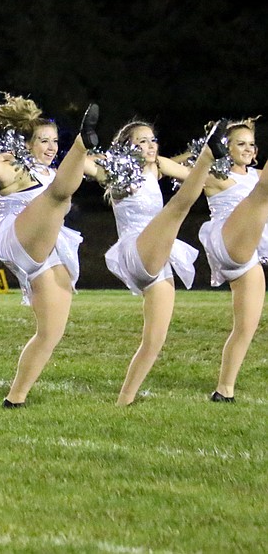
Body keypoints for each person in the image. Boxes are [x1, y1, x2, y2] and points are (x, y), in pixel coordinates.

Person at [0, 94, 99, 407]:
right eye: (43, 141)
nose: (51, 147)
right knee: (59, 197)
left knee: (51, 332)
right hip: (16, 239)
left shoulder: (55, 175)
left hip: (49, 247)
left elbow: (108, 175)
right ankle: (84, 141)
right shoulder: (13, 170)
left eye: (55, 142)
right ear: (26, 144)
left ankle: (15, 399)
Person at [88, 120, 223, 405]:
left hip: (158, 255)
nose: (150, 146)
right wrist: (95, 155)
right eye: (142, 141)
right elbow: (82, 165)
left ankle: (124, 400)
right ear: (127, 147)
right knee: (178, 207)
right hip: (135, 249)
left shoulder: (157, 165)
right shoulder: (115, 170)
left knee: (154, 341)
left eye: (152, 140)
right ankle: (210, 149)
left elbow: (195, 177)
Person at [164, 119, 268, 402]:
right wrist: (199, 153)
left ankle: (224, 391)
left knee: (246, 327)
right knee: (262, 193)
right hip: (226, 241)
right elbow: (164, 165)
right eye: (240, 144)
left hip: (248, 258)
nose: (247, 149)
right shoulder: (212, 175)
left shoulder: (256, 175)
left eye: (251, 145)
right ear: (226, 147)